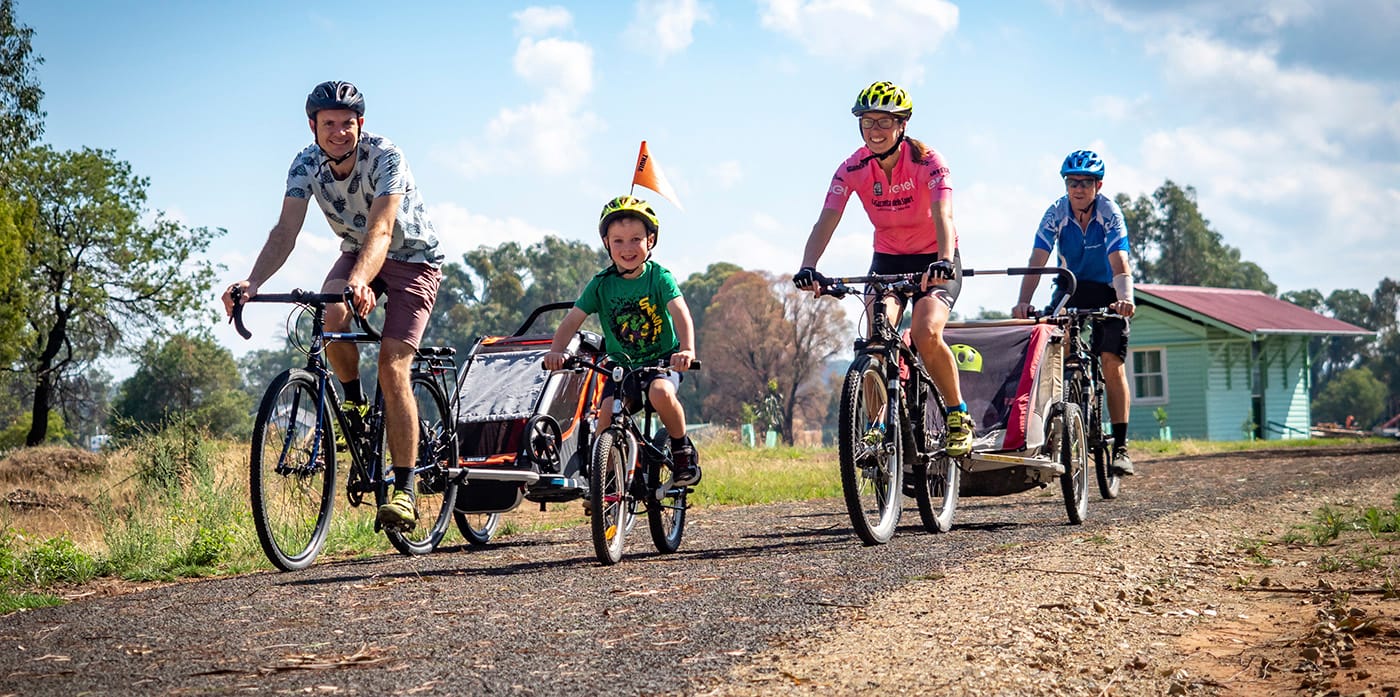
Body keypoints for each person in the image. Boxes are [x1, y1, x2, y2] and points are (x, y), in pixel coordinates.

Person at [221, 80, 445, 527]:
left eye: (347, 123)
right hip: (357, 251)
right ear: (313, 127)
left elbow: (382, 230)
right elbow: (285, 231)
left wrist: (360, 280)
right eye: (329, 124)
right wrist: (253, 280)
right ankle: (354, 403)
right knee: (331, 316)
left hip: (413, 259)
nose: (339, 132)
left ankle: (404, 491)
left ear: (360, 124)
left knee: (392, 366)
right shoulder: (305, 163)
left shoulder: (386, 156)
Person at [792, 80, 973, 456]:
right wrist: (809, 266)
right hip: (888, 259)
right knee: (876, 339)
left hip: (935, 257)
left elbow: (944, 214)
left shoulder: (928, 161)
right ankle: (877, 427)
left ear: (902, 124)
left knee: (925, 331)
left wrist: (943, 260)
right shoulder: (852, 167)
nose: (875, 130)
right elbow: (826, 220)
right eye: (867, 122)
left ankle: (957, 415)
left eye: (884, 121)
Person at [542, 195, 700, 486]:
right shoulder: (601, 284)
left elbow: (681, 313)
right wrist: (556, 351)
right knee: (606, 414)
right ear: (606, 243)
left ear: (650, 241)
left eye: (635, 239)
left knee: (660, 394)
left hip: (662, 361)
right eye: (618, 241)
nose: (627, 248)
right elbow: (571, 321)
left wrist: (687, 349)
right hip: (621, 366)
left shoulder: (659, 277)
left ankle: (681, 449)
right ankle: (606, 485)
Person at [1011, 149, 1137, 475]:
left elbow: (1120, 262)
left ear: (1098, 185)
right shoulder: (1056, 212)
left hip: (1108, 291)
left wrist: (1125, 299)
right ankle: (1058, 423)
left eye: (1085, 182)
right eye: (1072, 182)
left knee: (1111, 362)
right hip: (1071, 287)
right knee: (1054, 347)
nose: (1078, 188)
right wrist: (1023, 302)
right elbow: (1037, 260)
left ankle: (1121, 447)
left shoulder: (1109, 212)